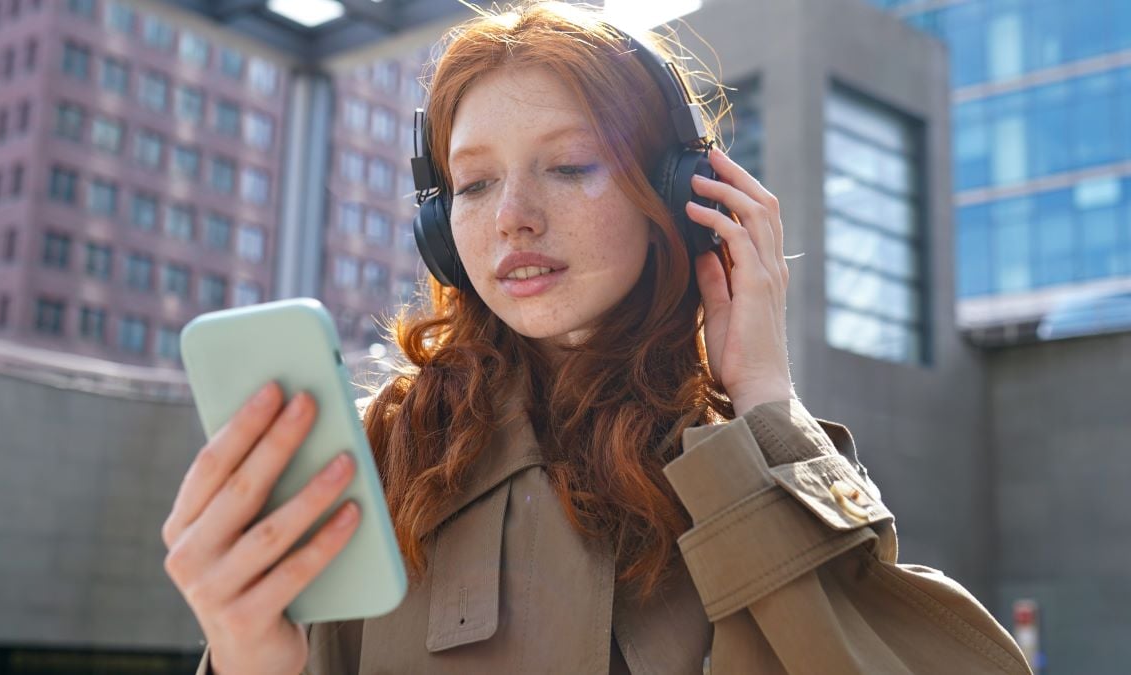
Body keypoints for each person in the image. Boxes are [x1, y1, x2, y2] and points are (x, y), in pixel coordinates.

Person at [162, 2, 1033, 673]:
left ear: (682, 196)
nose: (512, 220)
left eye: (570, 166)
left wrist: (769, 406)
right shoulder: (382, 454)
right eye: (472, 184)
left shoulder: (742, 458)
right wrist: (247, 658)